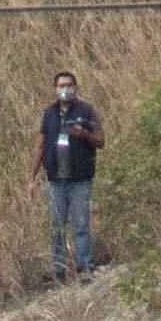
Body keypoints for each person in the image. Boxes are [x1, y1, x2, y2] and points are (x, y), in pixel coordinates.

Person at [37, 74, 104, 283]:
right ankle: (58, 269)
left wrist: (83, 134)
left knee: (81, 223)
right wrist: (31, 177)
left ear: (75, 87)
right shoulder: (48, 114)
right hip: (55, 178)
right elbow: (40, 145)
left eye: (68, 85)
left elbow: (101, 141)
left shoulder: (87, 111)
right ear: (55, 89)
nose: (65, 89)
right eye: (61, 85)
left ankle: (85, 267)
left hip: (79, 178)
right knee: (56, 225)